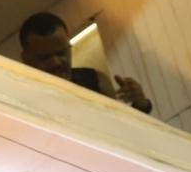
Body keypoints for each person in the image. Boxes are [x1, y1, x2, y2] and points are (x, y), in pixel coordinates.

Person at [18, 12, 153, 114]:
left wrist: (140, 105)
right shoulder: (19, 99)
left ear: (70, 48)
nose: (56, 63)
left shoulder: (95, 81)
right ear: (26, 59)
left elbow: (120, 129)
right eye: (44, 57)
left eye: (61, 53)